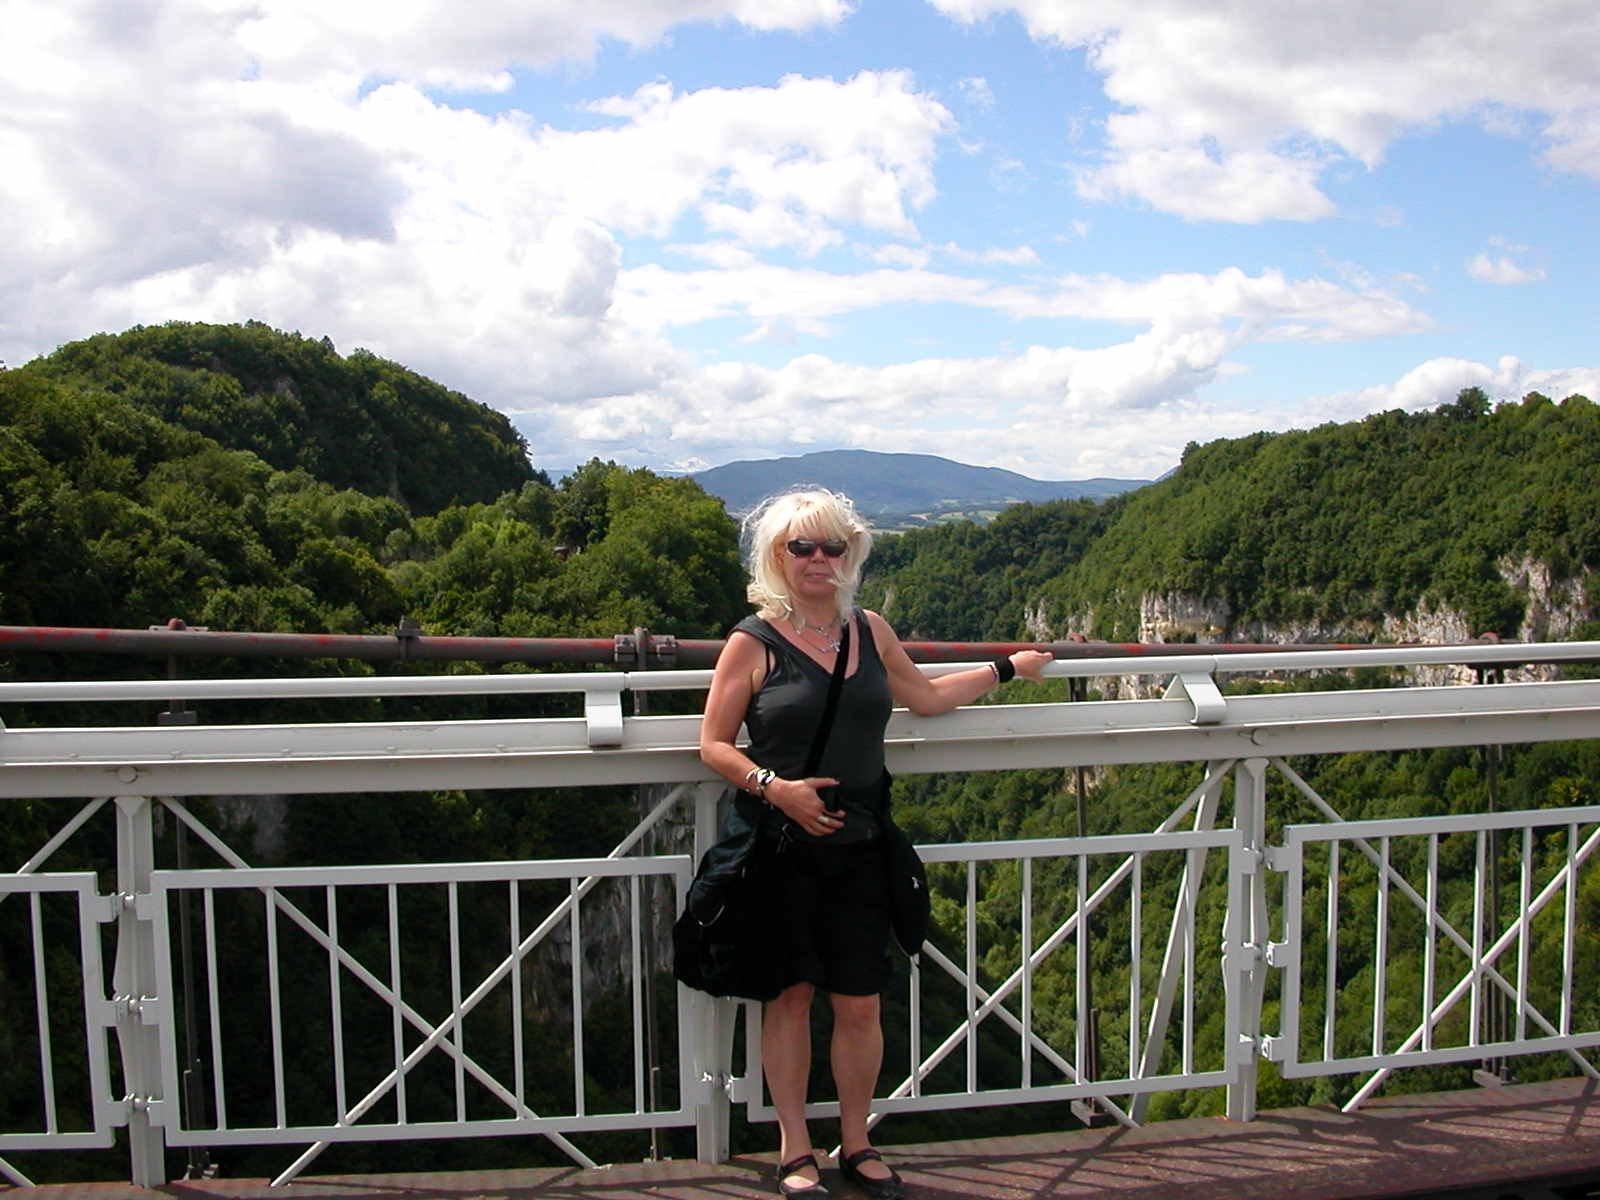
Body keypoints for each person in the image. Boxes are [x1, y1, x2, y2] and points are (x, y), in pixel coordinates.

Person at [699, 488, 1053, 1199]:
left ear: (850, 553)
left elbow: (925, 697)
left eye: (832, 546)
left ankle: (856, 1141)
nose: (818, 559)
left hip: (860, 840)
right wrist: (777, 788)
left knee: (860, 1000)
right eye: (802, 547)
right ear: (776, 556)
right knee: (789, 996)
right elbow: (713, 744)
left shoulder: (869, 631)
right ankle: (794, 1147)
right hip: (781, 846)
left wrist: (1008, 668)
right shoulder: (753, 640)